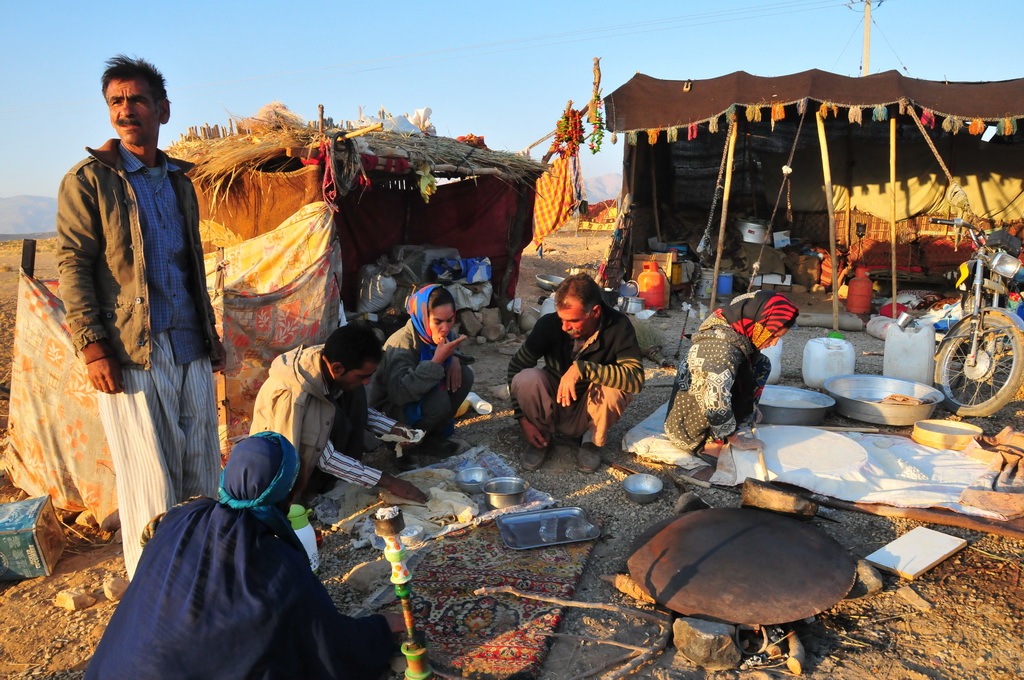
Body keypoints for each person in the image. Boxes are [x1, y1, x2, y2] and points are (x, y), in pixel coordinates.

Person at [56, 56, 224, 578]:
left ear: (163, 110)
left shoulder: (180, 181)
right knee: (149, 480)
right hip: (131, 351)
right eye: (116, 102)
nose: (126, 111)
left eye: (136, 100)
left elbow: (189, 262)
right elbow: (74, 264)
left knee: (201, 471)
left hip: (189, 344)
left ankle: (202, 576)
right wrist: (91, 345)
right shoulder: (89, 181)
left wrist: (211, 332)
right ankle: (156, 591)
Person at [84, 432, 402, 680]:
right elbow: (331, 648)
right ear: (288, 495)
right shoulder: (279, 565)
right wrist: (380, 629)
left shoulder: (182, 517)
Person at [249, 324, 427, 503]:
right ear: (337, 368)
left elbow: (356, 410)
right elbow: (323, 456)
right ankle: (308, 494)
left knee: (355, 391)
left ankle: (339, 478)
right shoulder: (297, 397)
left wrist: (393, 428)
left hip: (320, 447)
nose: (367, 382)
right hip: (289, 467)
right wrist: (388, 481)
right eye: (362, 376)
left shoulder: (332, 364)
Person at [507, 273, 645, 472]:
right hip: (553, 405)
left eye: (573, 321)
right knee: (526, 379)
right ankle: (541, 435)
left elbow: (635, 379)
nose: (565, 327)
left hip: (588, 410)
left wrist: (583, 369)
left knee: (615, 390)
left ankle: (590, 442)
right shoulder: (549, 324)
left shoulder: (618, 326)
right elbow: (515, 368)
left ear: (595, 312)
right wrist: (522, 419)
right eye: (562, 319)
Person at [664, 290, 799, 456]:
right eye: (773, 335)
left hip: (712, 399)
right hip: (689, 428)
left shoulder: (736, 331)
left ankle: (738, 419)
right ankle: (711, 441)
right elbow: (715, 401)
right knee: (722, 386)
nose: (774, 343)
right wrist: (737, 440)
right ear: (760, 323)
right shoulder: (719, 350)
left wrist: (750, 407)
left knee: (761, 364)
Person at [368, 284, 474, 458]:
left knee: (465, 375)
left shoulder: (444, 334)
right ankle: (404, 447)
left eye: (450, 320)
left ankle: (432, 437)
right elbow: (399, 394)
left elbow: (454, 349)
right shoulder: (402, 344)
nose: (445, 328)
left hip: (419, 397)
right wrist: (437, 360)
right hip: (392, 411)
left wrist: (454, 357)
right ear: (423, 318)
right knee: (438, 400)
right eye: (438, 322)